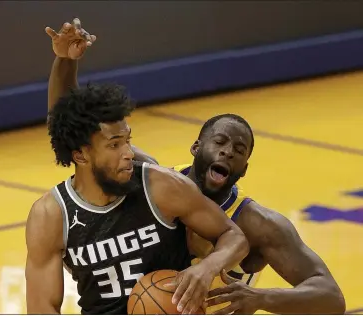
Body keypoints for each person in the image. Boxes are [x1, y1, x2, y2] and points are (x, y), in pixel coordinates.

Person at [44, 18, 347, 315]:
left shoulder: (259, 224)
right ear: (196, 148)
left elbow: (331, 298)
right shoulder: (158, 183)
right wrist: (65, 61)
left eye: (239, 151)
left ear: (245, 168)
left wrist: (260, 298)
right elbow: (78, 132)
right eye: (221, 142)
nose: (228, 152)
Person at [25, 20, 250, 315]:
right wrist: (65, 61)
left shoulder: (160, 186)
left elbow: (235, 237)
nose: (129, 153)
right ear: (81, 156)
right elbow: (42, 309)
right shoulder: (51, 215)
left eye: (128, 140)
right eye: (115, 144)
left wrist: (206, 269)